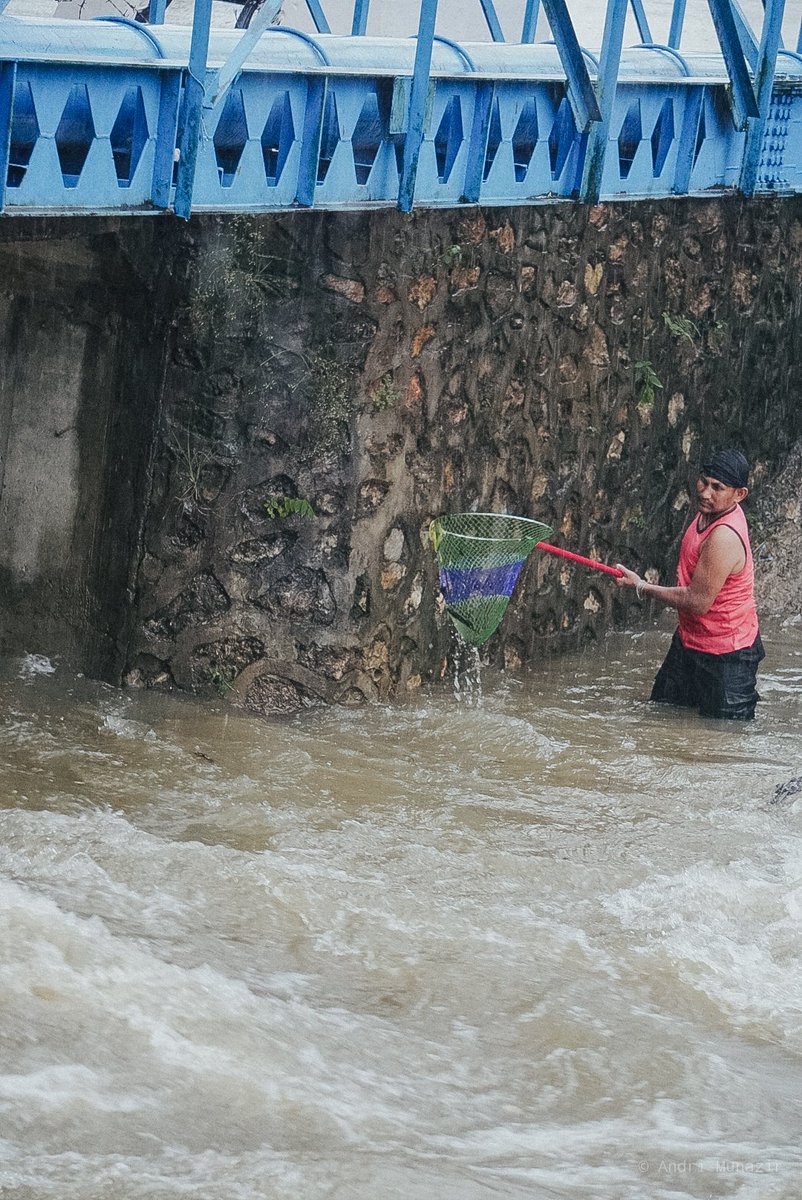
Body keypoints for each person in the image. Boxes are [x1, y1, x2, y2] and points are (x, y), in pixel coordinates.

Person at [614, 449, 764, 721]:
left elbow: (697, 602)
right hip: (690, 642)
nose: (706, 493)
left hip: (729, 656)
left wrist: (641, 586)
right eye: (703, 482)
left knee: (723, 740)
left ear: (739, 494)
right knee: (660, 717)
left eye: (717, 488)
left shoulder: (725, 537)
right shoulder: (709, 510)